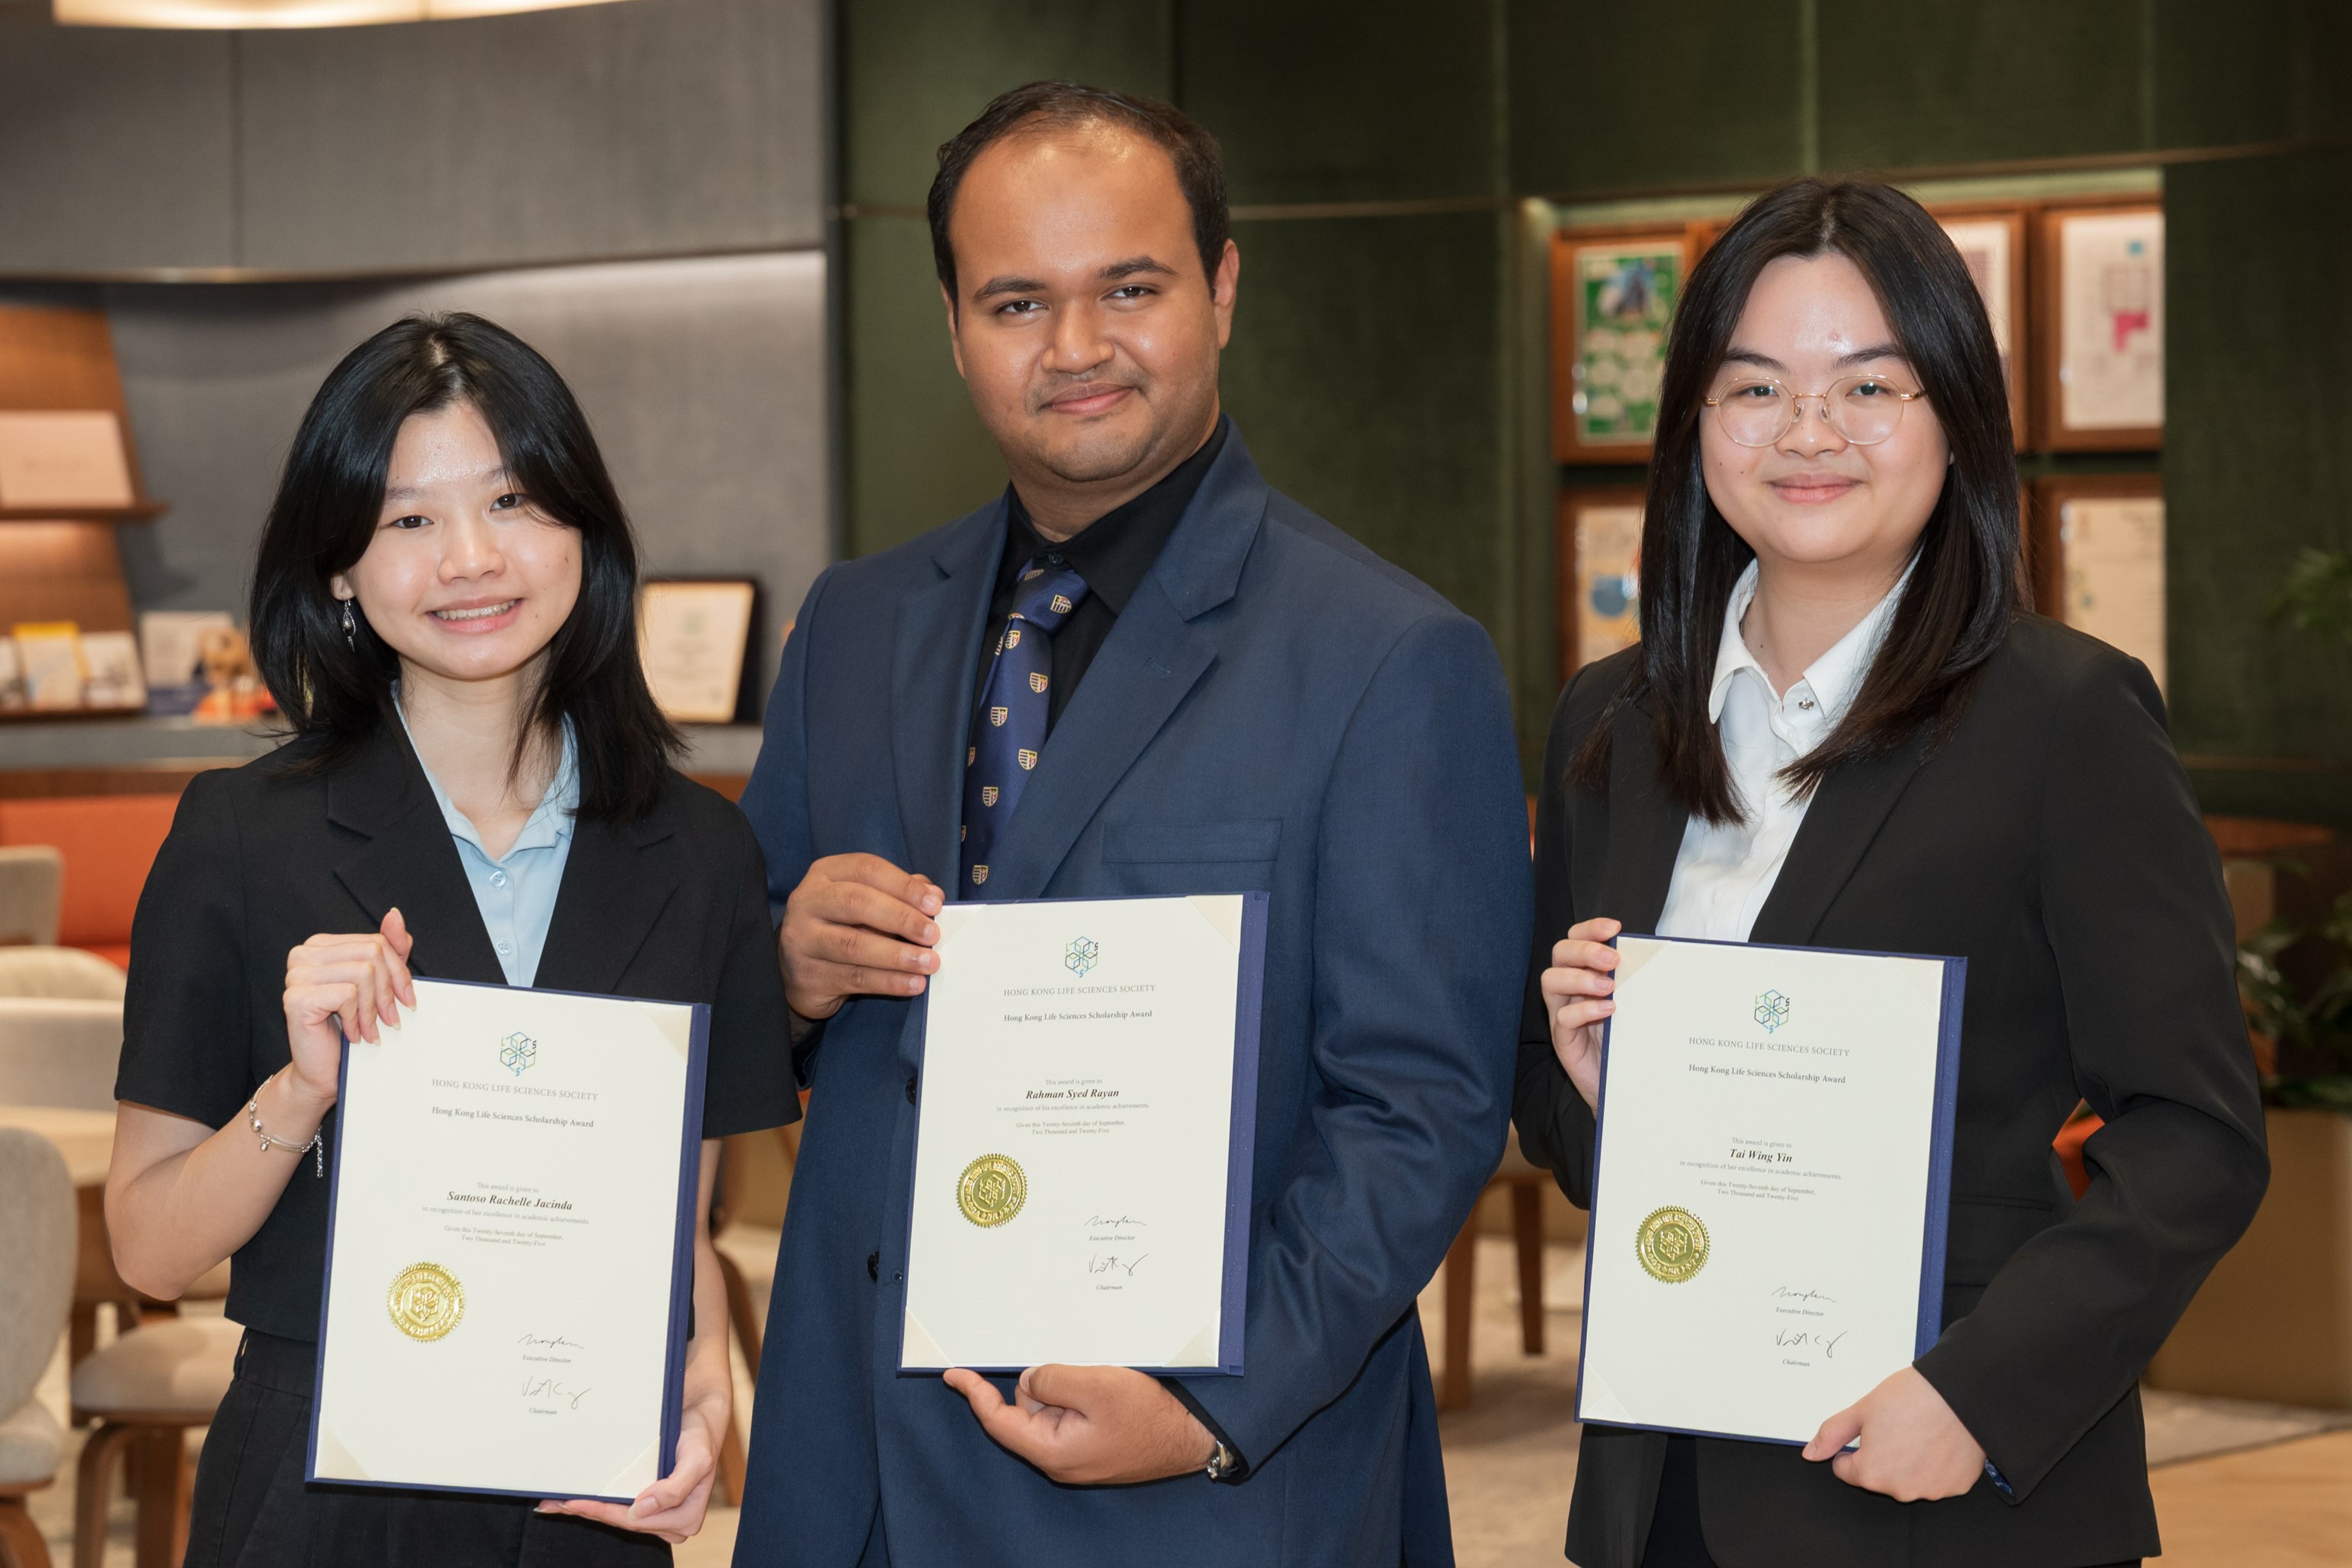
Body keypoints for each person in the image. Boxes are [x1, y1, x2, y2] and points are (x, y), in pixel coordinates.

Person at [731, 81, 1531, 1567]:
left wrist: (1205, 1402)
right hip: (855, 1472)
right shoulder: (849, 627)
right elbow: (737, 1014)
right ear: (955, 325)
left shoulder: (1385, 658)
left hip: (1200, 1486)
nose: (1077, 347)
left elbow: (1419, 1105)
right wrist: (780, 969)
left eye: (1129, 288)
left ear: (1221, 290)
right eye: (1016, 300)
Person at [1514, 178, 2268, 1568]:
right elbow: (1571, 1153)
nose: (1808, 431)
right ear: (1694, 423)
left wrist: (1977, 1395)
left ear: (1954, 417)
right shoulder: (1607, 723)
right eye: (1754, 387)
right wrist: (1600, 1090)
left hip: (1949, 1493)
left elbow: (2194, 1136)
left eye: (1870, 384)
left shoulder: (2066, 719)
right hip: (1664, 1492)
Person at [106, 313, 798, 1567]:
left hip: (580, 1497)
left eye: (514, 499)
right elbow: (150, 1244)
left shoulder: (700, 853)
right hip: (319, 1487)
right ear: (335, 567)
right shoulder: (240, 835)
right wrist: (303, 1087)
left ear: (582, 526)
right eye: (409, 519)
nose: (472, 558)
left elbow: (675, 1235)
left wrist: (702, 1406)